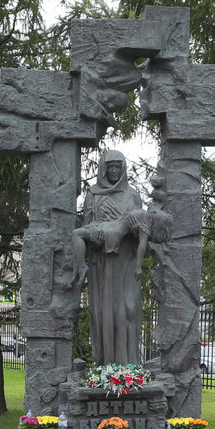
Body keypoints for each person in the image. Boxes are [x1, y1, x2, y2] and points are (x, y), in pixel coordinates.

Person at [72, 149, 145, 365]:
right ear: (103, 169)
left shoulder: (132, 195)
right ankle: (105, 364)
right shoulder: (93, 194)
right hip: (101, 262)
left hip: (125, 261)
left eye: (117, 167)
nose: (113, 171)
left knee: (128, 309)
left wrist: (125, 230)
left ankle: (128, 365)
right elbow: (86, 225)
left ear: (123, 169)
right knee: (103, 312)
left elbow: (140, 229)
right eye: (110, 167)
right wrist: (100, 234)